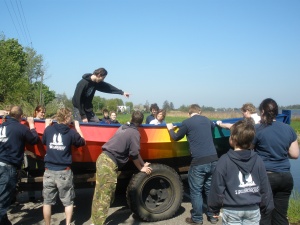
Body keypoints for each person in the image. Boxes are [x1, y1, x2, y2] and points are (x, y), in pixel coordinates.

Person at [208, 118, 274, 225]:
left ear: (233, 139)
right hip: (253, 209)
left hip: (232, 210)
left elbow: (217, 187)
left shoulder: (224, 160)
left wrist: (214, 208)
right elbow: (265, 186)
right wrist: (267, 205)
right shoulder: (258, 160)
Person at [91, 111, 152, 225]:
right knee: (105, 197)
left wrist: (143, 164)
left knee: (100, 194)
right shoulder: (134, 133)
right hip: (109, 163)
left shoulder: (123, 127)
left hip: (102, 159)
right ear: (141, 122)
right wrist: (140, 168)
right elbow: (133, 154)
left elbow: (135, 151)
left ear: (131, 118)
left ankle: (95, 221)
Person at [166, 104, 218, 225]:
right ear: (199, 112)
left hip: (199, 161)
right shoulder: (208, 120)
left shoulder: (187, 122)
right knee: (210, 189)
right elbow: (211, 129)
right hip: (214, 159)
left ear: (189, 113)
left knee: (196, 191)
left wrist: (170, 128)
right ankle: (213, 217)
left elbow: (175, 137)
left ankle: (197, 218)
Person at [252, 98, 299, 225]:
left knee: (264, 215)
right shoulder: (288, 129)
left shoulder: (257, 129)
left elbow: (249, 152)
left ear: (262, 111)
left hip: (265, 176)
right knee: (280, 215)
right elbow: (295, 154)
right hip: (285, 177)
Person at [42, 107, 85, 225]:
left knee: (47, 202)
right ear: (66, 118)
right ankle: (67, 223)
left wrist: (46, 125)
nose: (71, 119)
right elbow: (83, 142)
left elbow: (43, 141)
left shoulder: (49, 130)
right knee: (68, 202)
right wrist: (77, 127)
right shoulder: (71, 132)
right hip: (64, 172)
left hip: (49, 171)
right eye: (70, 117)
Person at [0, 106, 39, 225]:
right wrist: (32, 125)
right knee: (3, 200)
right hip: (8, 167)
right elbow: (34, 140)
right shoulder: (20, 128)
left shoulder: (2, 126)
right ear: (20, 117)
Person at [24, 105, 47, 202]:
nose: (42, 114)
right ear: (36, 112)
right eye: (41, 112)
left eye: (44, 112)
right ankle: (31, 194)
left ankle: (43, 194)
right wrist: (27, 151)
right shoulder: (30, 122)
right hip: (31, 152)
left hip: (42, 153)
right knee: (31, 173)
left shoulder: (46, 122)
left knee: (43, 174)